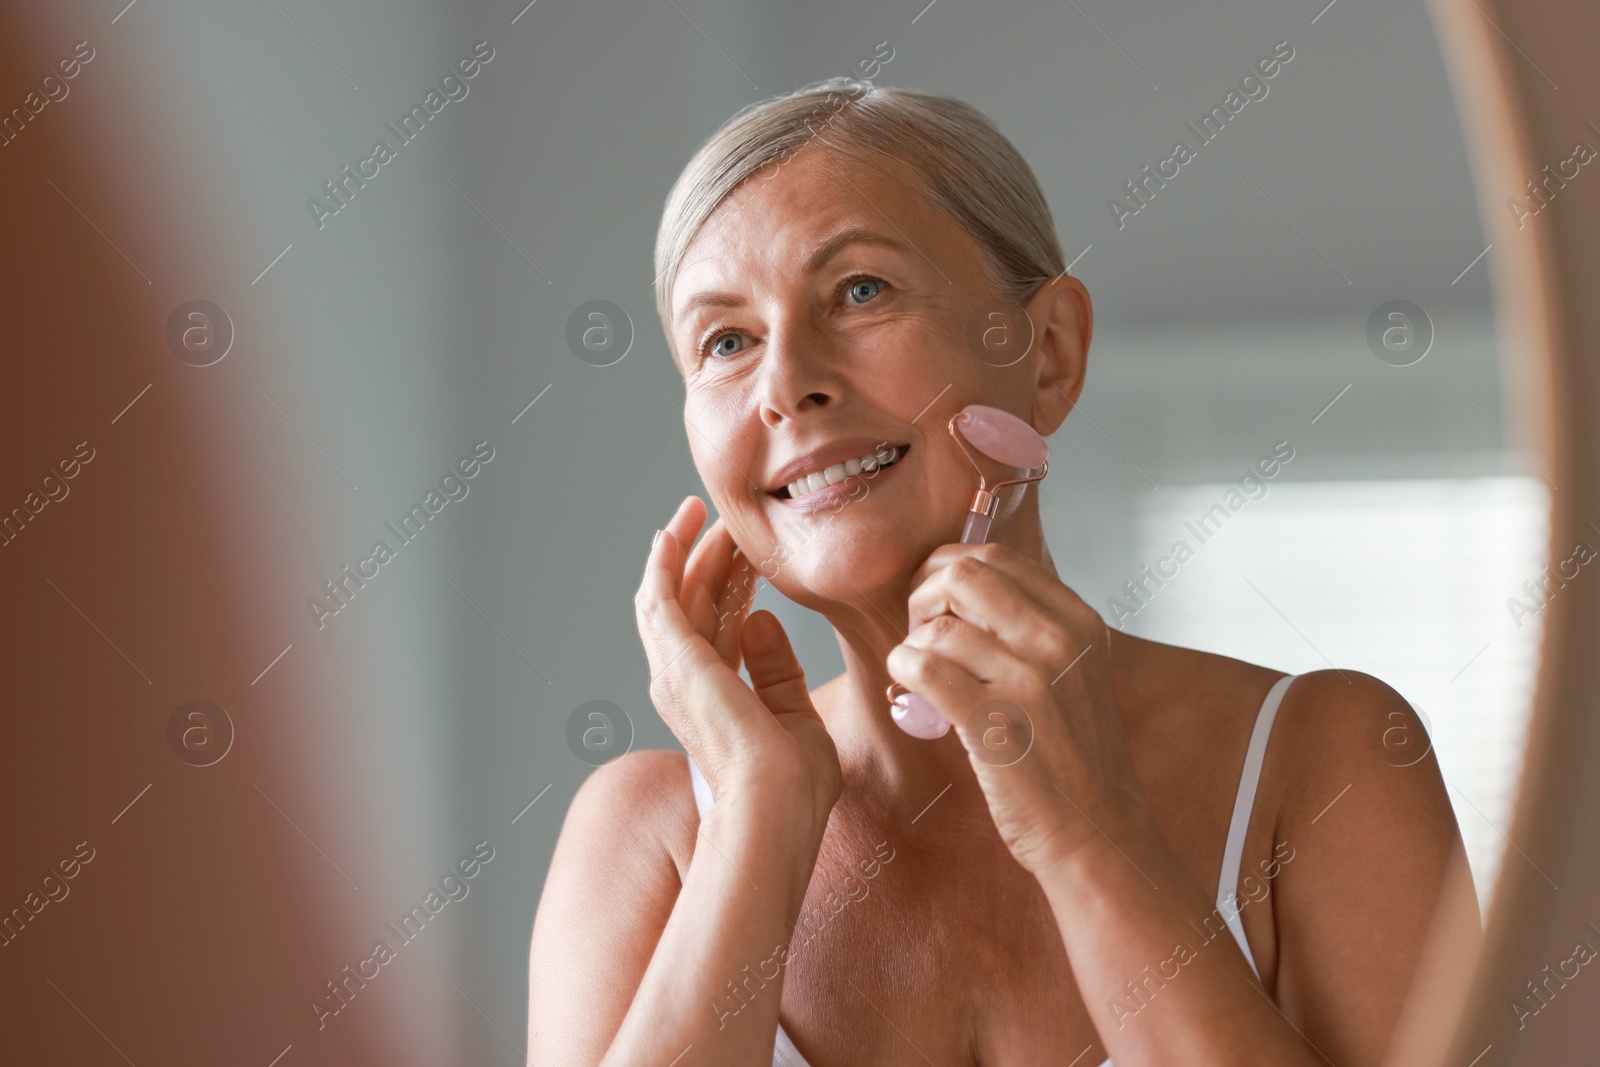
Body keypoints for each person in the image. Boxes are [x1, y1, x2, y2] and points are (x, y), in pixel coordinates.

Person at [527, 77, 1475, 1066]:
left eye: (860, 289)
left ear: (1050, 353)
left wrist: (1091, 839)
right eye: (726, 340)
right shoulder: (650, 835)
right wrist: (759, 819)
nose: (784, 384)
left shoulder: (1326, 759)